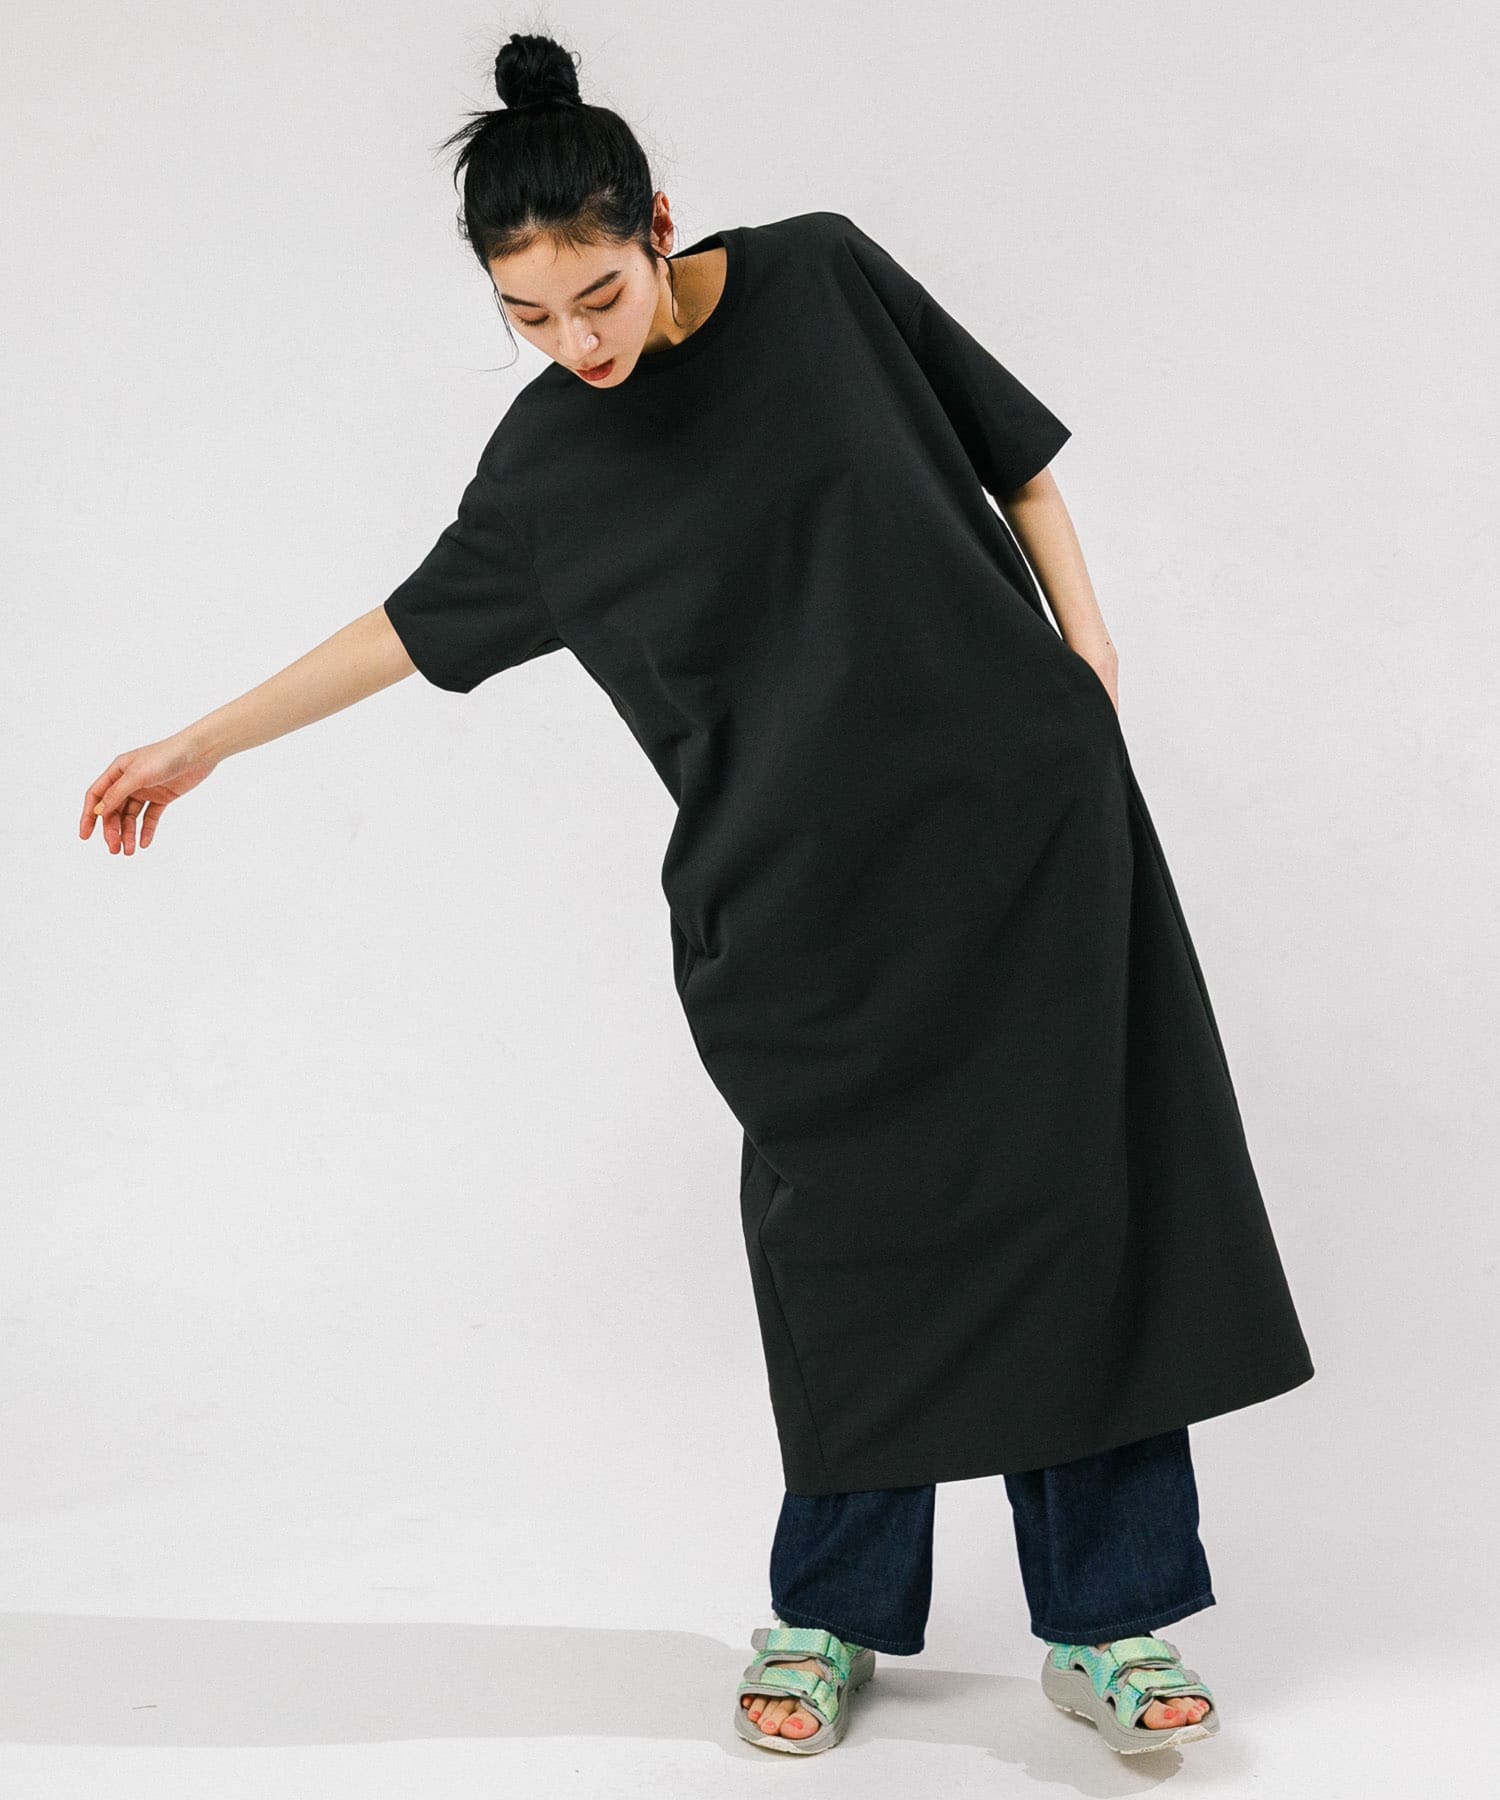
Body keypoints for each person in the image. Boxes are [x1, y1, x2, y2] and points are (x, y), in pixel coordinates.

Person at [79, 30, 1314, 1759]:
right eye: (528, 316)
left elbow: (1014, 459)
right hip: (793, 902)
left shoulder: (823, 278)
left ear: (657, 225)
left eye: (597, 293)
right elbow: (404, 630)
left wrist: (1086, 657)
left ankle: (1107, 1619)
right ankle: (831, 1610)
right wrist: (201, 740)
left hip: (1021, 837)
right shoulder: (547, 471)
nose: (576, 343)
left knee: (1072, 1203)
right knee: (845, 1248)